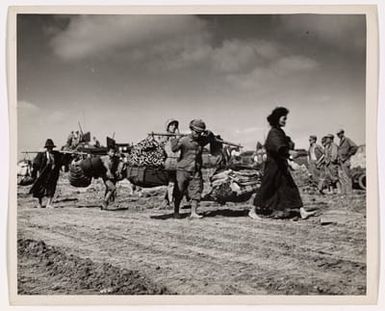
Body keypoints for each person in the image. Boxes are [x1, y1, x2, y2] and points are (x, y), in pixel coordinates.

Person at [248, 107, 315, 220]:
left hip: (280, 165)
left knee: (291, 186)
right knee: (266, 187)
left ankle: (302, 211)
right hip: (273, 166)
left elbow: (283, 146)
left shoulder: (279, 131)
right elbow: (278, 147)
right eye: (284, 118)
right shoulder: (274, 132)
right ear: (277, 119)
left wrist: (289, 154)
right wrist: (289, 152)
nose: (285, 121)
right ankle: (252, 211)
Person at [170, 119, 215, 219]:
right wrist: (175, 139)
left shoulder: (201, 141)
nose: (197, 134)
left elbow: (211, 138)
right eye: (196, 132)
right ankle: (176, 211)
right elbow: (174, 149)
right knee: (179, 191)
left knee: (196, 190)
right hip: (183, 170)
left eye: (200, 133)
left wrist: (209, 133)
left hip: (196, 170)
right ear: (191, 129)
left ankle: (193, 213)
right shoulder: (184, 140)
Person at [29, 139, 63, 208]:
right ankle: (39, 203)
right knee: (39, 188)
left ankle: (49, 204)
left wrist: (67, 154)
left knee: (51, 188)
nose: (50, 149)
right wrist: (35, 171)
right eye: (48, 147)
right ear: (46, 148)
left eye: (51, 147)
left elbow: (62, 159)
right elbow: (36, 164)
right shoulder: (42, 154)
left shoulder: (56, 154)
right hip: (43, 174)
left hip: (52, 174)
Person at [160, 119, 180, 209]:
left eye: (175, 125)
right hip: (168, 162)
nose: (174, 127)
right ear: (168, 127)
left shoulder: (177, 138)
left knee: (175, 182)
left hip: (177, 162)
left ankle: (168, 200)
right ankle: (169, 201)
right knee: (171, 182)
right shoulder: (165, 137)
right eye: (171, 125)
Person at [336, 129, 358, 195]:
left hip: (345, 160)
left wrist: (348, 155)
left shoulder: (347, 140)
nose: (338, 135)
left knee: (347, 176)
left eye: (339, 134)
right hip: (341, 161)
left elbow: (354, 147)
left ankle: (349, 192)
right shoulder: (341, 141)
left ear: (342, 133)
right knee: (342, 176)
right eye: (337, 134)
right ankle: (344, 192)